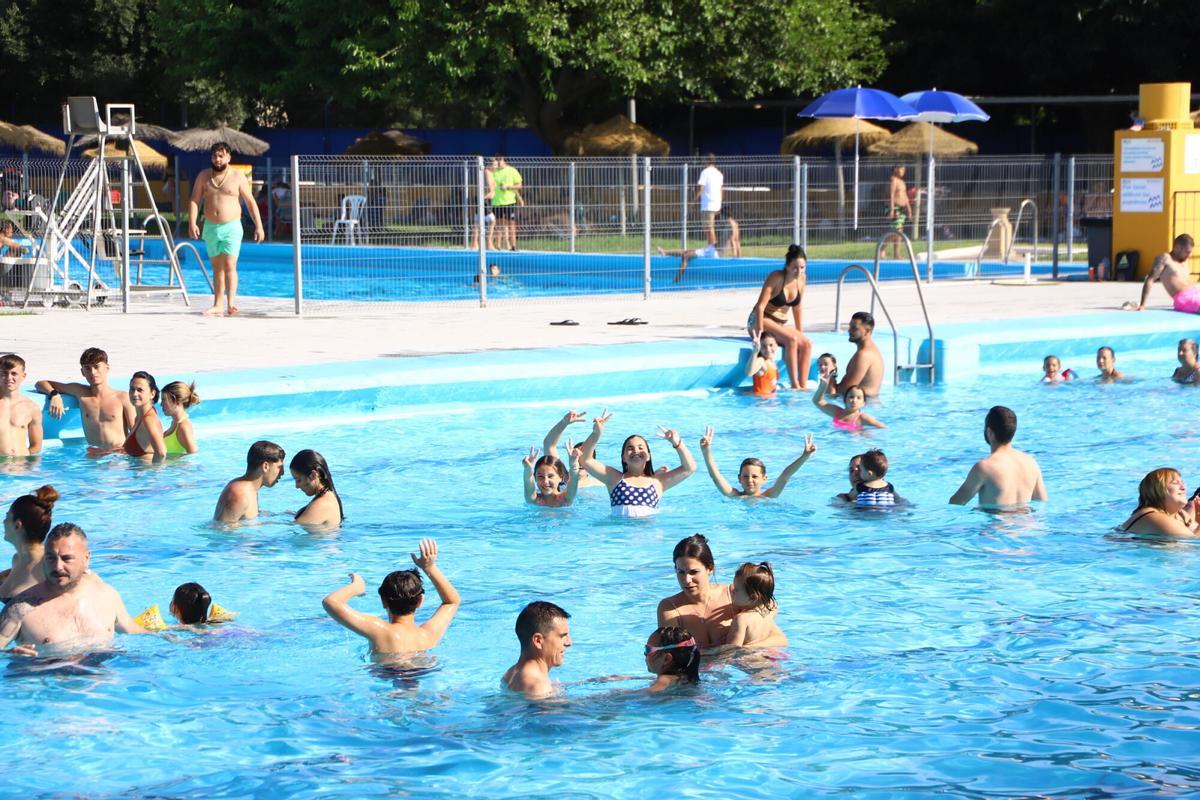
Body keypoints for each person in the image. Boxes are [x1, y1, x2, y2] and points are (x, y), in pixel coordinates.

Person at [0, 523, 148, 657]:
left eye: (67, 559)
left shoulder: (107, 596)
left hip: (101, 678)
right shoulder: (20, 609)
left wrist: (166, 633)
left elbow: (131, 629)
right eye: (51, 558)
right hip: (46, 679)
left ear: (86, 558)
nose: (58, 566)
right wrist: (8, 654)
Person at [322, 538, 462, 656]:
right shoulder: (428, 634)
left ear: (383, 601)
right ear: (420, 601)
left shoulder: (380, 630)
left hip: (389, 676)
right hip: (424, 672)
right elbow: (451, 602)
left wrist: (357, 587)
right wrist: (430, 568)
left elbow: (331, 602)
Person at [188, 142, 264, 316]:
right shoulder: (203, 176)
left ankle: (231, 303)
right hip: (211, 227)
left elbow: (251, 203)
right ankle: (217, 304)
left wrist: (259, 226)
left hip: (232, 227)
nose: (218, 159)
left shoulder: (238, 176)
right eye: (215, 155)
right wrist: (192, 222)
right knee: (216, 268)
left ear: (229, 157)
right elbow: (194, 200)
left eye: (221, 156)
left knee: (229, 265)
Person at [577, 411, 695, 517]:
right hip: (619, 538)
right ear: (623, 458)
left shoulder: (657, 483)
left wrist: (678, 444)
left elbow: (689, 468)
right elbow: (585, 460)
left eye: (640, 447)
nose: (636, 451)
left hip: (649, 537)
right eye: (630, 448)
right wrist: (596, 433)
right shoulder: (614, 479)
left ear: (648, 456)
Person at [35, 347, 134, 450]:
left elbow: (135, 431)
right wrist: (54, 395)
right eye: (87, 368)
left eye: (96, 367)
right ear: (82, 372)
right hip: (93, 456)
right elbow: (40, 384)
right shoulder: (79, 391)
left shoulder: (122, 398)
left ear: (107, 368)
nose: (92, 372)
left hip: (118, 456)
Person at [950, 405, 1048, 508]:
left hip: (997, 523)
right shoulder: (1031, 462)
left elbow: (957, 503)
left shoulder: (984, 467)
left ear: (989, 432)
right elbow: (1042, 501)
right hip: (1027, 522)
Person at [747, 245, 813, 391]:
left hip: (778, 324)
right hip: (759, 320)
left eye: (802, 267)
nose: (799, 271)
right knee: (792, 340)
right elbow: (760, 307)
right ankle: (794, 385)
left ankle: (803, 385)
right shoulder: (776, 277)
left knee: (807, 343)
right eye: (795, 267)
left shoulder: (802, 279)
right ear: (787, 266)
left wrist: (800, 332)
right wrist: (761, 335)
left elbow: (797, 307)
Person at [657, 534, 734, 649]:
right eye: (681, 572)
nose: (687, 580)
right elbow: (674, 657)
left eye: (693, 572)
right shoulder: (670, 608)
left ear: (710, 569)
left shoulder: (733, 594)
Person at [698, 427, 817, 499]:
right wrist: (706, 451)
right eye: (745, 476)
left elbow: (785, 475)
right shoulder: (734, 496)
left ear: (764, 478)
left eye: (755, 476)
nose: (749, 480)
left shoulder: (769, 496)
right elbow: (715, 476)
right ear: (739, 478)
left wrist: (805, 456)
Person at [502, 600, 571, 699]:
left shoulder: (510, 674)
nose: (569, 642)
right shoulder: (538, 687)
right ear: (538, 641)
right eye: (562, 636)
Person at [0, 485, 58, 602]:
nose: (4, 521)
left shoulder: (49, 566)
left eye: (7, 517)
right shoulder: (18, 559)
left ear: (17, 525)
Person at [213, 440, 286, 523]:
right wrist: (262, 524)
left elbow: (246, 516)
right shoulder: (239, 495)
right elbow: (222, 530)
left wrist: (280, 515)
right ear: (265, 466)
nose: (282, 473)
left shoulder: (250, 489)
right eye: (279, 467)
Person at [1119, 468, 1199, 537]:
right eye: (1175, 483)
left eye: (1182, 483)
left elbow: (1194, 534)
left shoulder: (1178, 514)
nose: (1183, 488)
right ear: (1158, 490)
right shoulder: (1153, 517)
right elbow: (1191, 543)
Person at [724, 562, 787, 649]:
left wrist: (709, 653)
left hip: (749, 660)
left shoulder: (741, 619)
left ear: (752, 598)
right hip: (769, 656)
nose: (732, 591)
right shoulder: (770, 611)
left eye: (736, 590)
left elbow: (730, 650)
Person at [1127, 234, 1195, 312]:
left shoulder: (1184, 261)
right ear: (1177, 247)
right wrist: (1143, 305)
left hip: (1196, 295)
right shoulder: (1164, 259)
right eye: (1187, 252)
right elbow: (1150, 279)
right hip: (1184, 299)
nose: (1189, 255)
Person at [829, 311, 884, 398]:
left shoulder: (863, 356)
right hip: (868, 403)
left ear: (867, 331)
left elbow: (844, 391)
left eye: (854, 328)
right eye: (850, 326)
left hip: (863, 405)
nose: (849, 330)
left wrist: (830, 377)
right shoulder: (871, 350)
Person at [541, 409, 600, 488]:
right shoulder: (561, 478)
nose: (580, 461)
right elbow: (548, 444)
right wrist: (564, 423)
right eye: (577, 455)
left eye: (585, 456)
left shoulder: (599, 483)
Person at [0, 354, 42, 456]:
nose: (9, 378)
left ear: (23, 376)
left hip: (21, 467)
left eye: (14, 373)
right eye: (4, 373)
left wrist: (26, 466)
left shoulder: (32, 408)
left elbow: (36, 446)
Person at [290, 449, 344, 527]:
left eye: (298, 480)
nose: (297, 486)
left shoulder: (322, 504)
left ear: (313, 475)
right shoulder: (326, 497)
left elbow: (293, 527)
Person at [122, 371, 167, 459]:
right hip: (140, 470)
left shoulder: (148, 420)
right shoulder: (139, 417)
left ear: (152, 394)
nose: (135, 394)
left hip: (147, 471)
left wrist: (154, 472)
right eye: (132, 389)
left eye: (140, 390)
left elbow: (161, 453)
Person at [812, 377, 885, 430]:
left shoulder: (862, 418)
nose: (854, 400)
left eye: (858, 398)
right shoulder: (837, 412)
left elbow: (882, 427)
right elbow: (817, 401)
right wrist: (822, 387)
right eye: (851, 397)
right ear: (845, 400)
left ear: (863, 403)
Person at [643, 626, 701, 691]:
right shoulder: (685, 675)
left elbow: (648, 693)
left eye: (648, 650)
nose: (645, 654)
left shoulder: (665, 679)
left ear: (667, 659)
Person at [490, 154, 522, 251]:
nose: (498, 163)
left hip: (509, 202)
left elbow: (519, 185)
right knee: (498, 224)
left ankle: (513, 246)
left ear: (504, 160)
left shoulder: (512, 170)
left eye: (500, 160)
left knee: (511, 224)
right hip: (496, 202)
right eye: (497, 160)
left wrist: (508, 187)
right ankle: (498, 245)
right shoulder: (493, 172)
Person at [160, 381, 200, 455]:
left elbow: (194, 456)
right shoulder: (175, 423)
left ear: (176, 401)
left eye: (164, 400)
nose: (161, 404)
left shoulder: (183, 426)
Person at [694, 154, 723, 246]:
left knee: (709, 228)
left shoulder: (705, 172)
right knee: (709, 227)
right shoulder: (719, 173)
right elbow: (721, 189)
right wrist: (720, 203)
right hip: (716, 204)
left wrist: (693, 200)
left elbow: (701, 188)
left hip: (707, 204)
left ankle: (713, 248)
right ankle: (710, 246)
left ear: (706, 161)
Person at [886, 166, 913, 258]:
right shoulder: (893, 181)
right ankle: (882, 248)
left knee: (899, 232)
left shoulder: (902, 182)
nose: (903, 171)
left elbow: (905, 196)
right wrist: (892, 209)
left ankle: (896, 254)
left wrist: (909, 209)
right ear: (896, 169)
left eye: (904, 169)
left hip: (901, 209)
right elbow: (891, 195)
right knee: (897, 231)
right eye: (902, 169)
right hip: (894, 208)